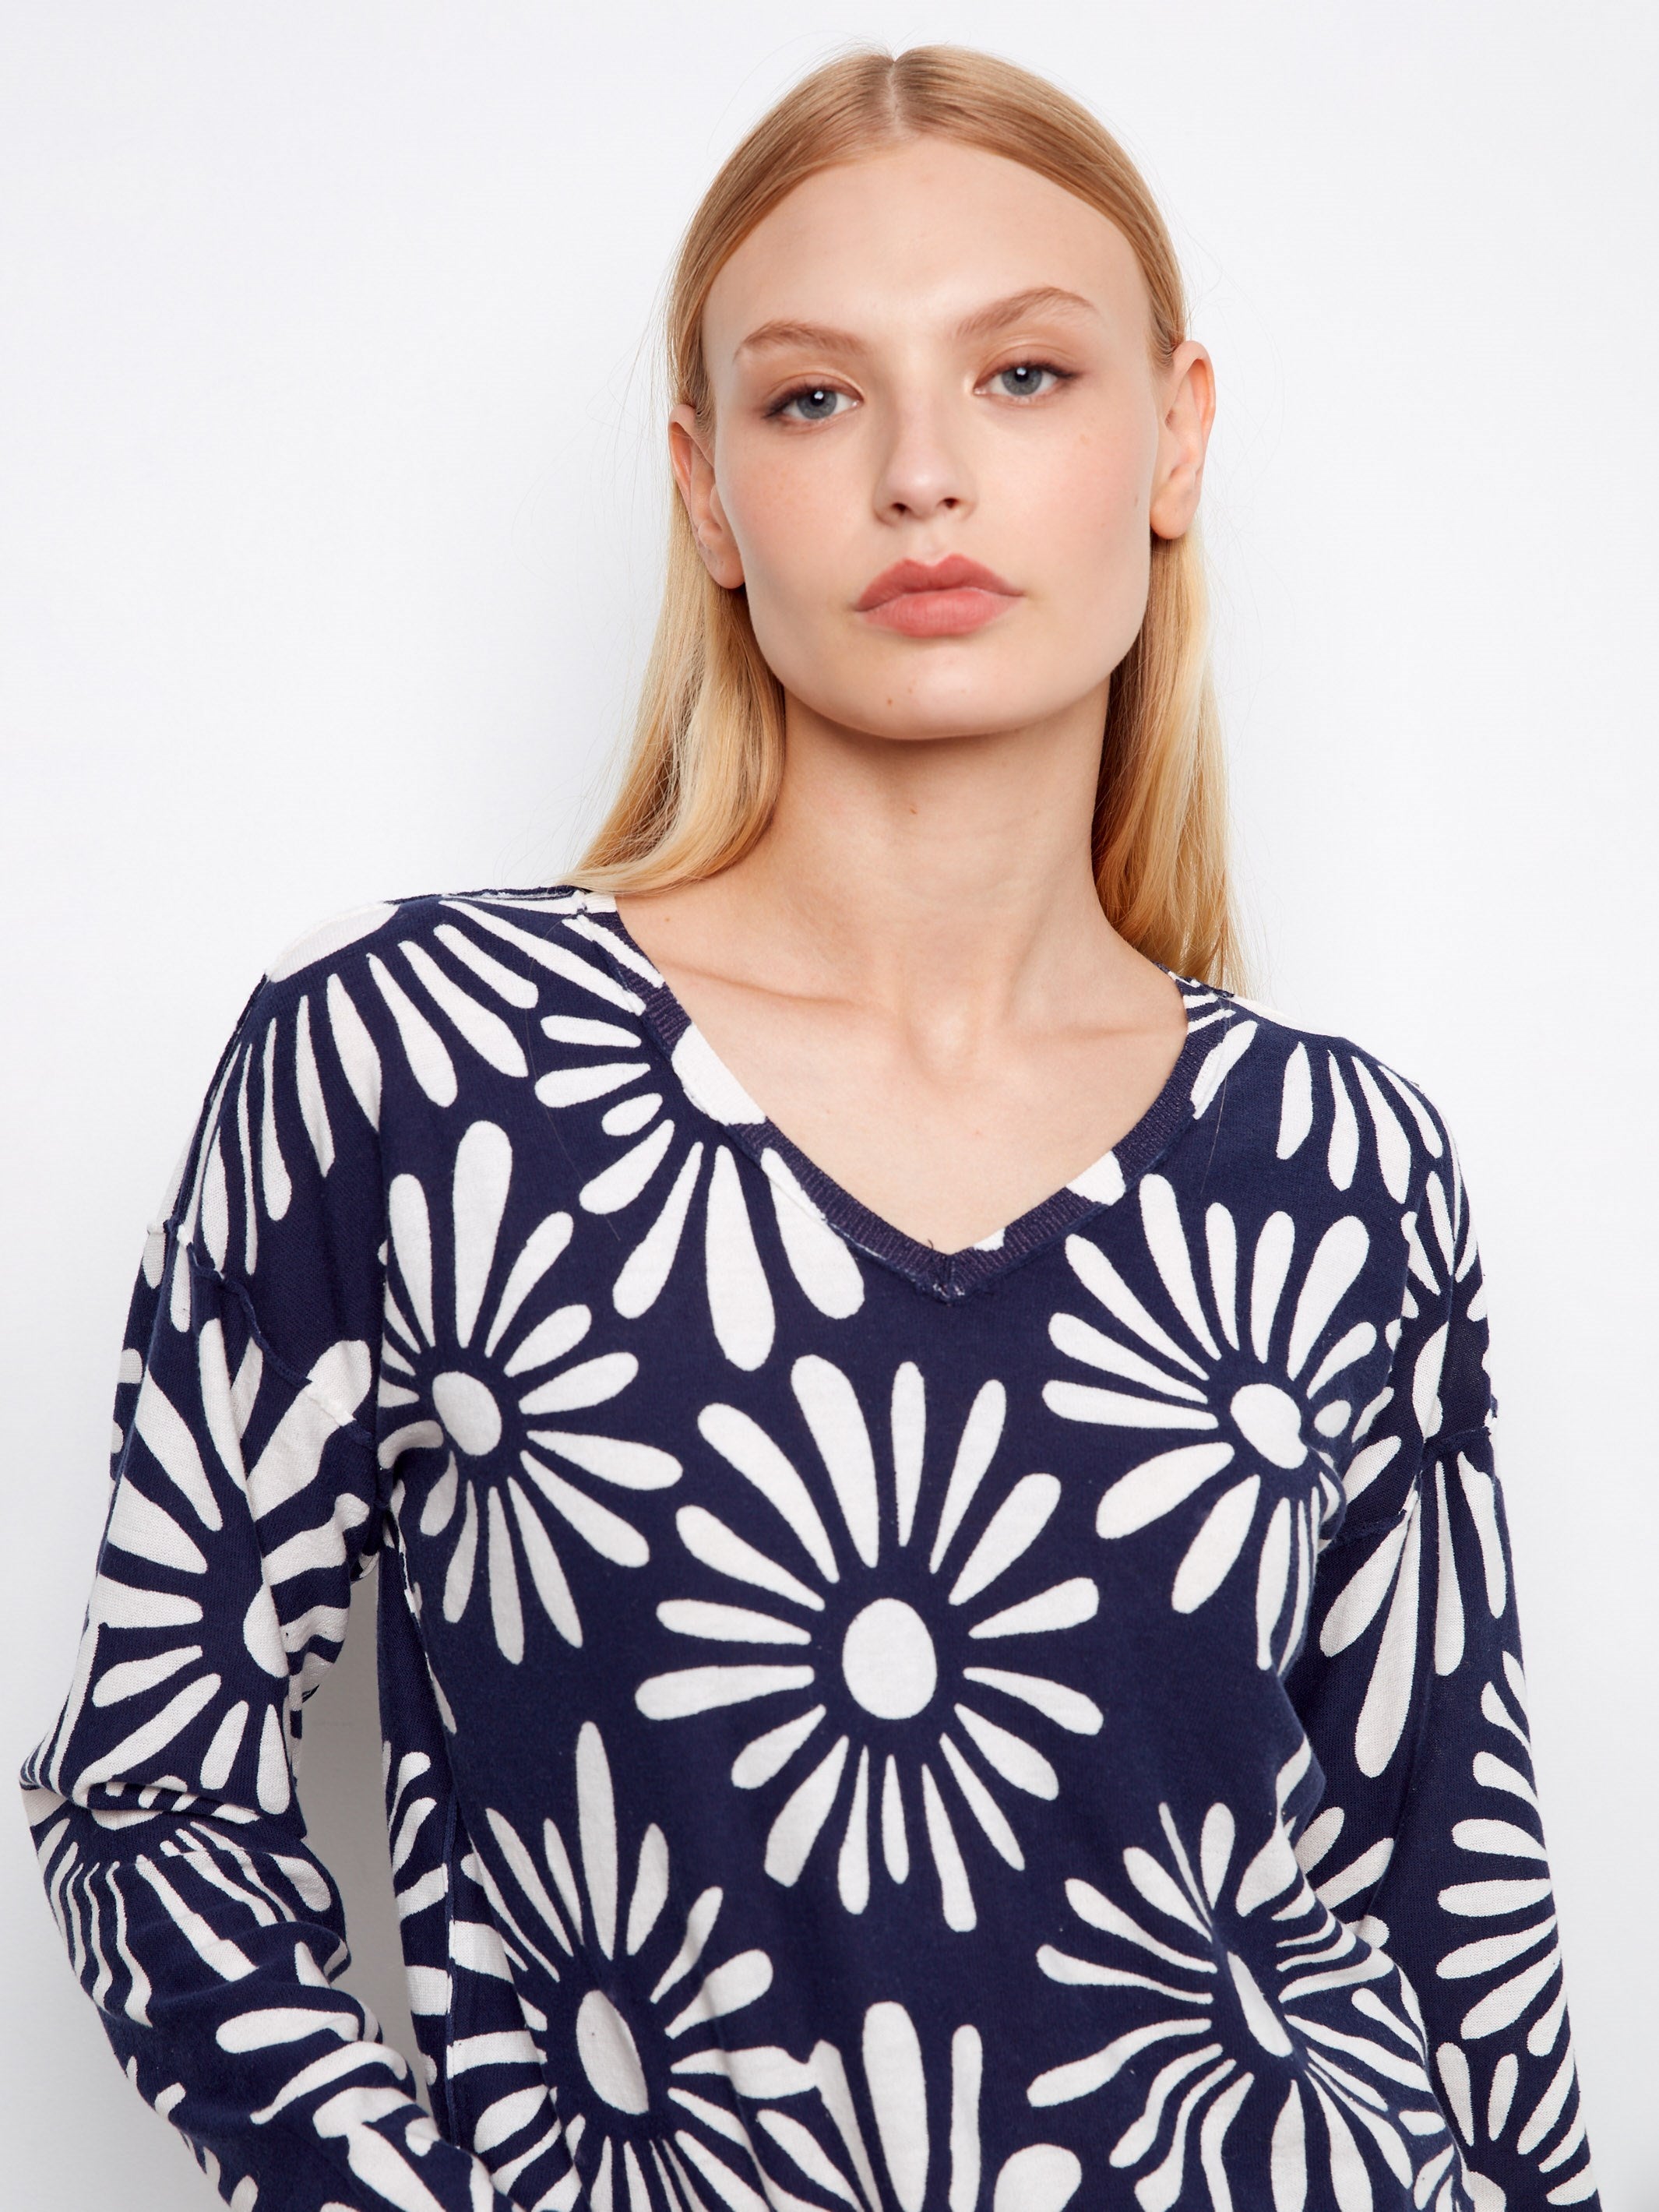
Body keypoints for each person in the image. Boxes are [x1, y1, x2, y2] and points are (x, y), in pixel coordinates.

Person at [20, 43, 1598, 2212]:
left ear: (1175, 436)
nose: (923, 477)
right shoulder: (420, 1064)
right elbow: (152, 1797)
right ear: (706, 492)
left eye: (1023, 376)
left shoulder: (1341, 1165)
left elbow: (1458, 1911)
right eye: (815, 397)